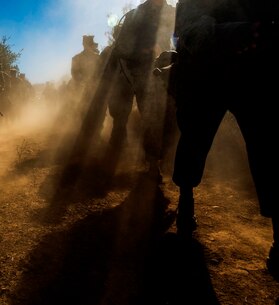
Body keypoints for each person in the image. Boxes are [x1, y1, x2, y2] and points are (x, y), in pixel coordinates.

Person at [171, 0, 279, 280]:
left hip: (256, 75)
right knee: (194, 140)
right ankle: (186, 200)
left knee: (271, 152)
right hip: (206, 75)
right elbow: (189, 31)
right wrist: (236, 33)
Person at [112, 0, 176, 174]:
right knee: (151, 118)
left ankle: (166, 159)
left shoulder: (171, 11)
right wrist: (145, 51)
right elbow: (122, 48)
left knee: (172, 116)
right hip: (144, 75)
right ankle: (153, 162)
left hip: (170, 72)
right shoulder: (136, 14)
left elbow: (184, 35)